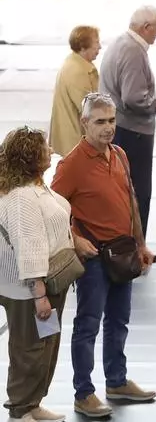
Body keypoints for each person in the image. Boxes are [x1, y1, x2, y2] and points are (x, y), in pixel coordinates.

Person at [51, 93, 156, 418]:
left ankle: (117, 381)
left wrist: (141, 244)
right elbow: (52, 211)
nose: (109, 127)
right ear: (85, 124)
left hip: (123, 252)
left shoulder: (120, 155)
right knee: (87, 326)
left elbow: (131, 203)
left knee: (118, 321)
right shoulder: (71, 165)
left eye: (112, 120)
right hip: (95, 259)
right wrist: (76, 239)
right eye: (100, 122)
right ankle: (84, 393)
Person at [0, 126, 75, 422]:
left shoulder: (35, 185)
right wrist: (40, 295)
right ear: (31, 156)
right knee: (30, 349)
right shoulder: (21, 197)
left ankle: (32, 403)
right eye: (45, 146)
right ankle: (20, 410)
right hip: (30, 291)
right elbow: (29, 246)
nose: (51, 148)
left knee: (45, 343)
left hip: (45, 287)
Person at [99, 5, 156, 250]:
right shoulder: (134, 51)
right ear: (146, 27)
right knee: (138, 190)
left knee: (121, 188)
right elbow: (133, 98)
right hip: (134, 132)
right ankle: (136, 247)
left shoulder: (119, 43)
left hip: (120, 128)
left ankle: (126, 244)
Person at [49, 25, 101, 156]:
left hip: (72, 141)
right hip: (75, 142)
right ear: (83, 46)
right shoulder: (77, 71)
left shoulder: (76, 63)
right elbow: (89, 110)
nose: (99, 47)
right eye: (96, 43)